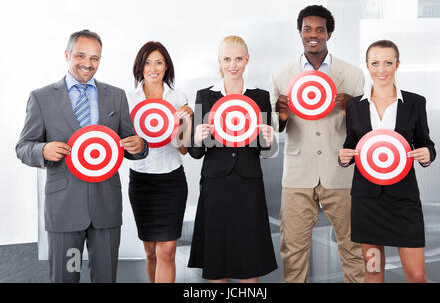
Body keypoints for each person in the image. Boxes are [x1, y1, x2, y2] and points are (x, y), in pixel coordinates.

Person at [16, 29, 148, 283]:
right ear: (67, 54)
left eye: (95, 58)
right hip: (65, 210)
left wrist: (140, 145)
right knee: (68, 276)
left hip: (105, 207)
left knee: (105, 278)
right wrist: (42, 150)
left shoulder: (116, 96)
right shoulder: (41, 98)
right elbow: (23, 146)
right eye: (81, 56)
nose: (88, 64)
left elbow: (132, 144)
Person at [270, 5, 365, 283]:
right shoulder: (280, 75)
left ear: (329, 34)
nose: (313, 35)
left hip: (341, 172)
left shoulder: (353, 74)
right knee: (293, 250)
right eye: (307, 29)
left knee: (353, 248)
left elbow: (364, 131)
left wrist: (352, 110)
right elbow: (273, 129)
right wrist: (282, 116)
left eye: (320, 29)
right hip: (298, 173)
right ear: (299, 33)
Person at [339, 40, 436, 283]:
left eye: (388, 63)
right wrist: (343, 157)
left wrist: (427, 154)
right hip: (367, 202)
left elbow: (426, 142)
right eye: (375, 63)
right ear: (367, 65)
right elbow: (351, 145)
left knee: (416, 275)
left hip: (404, 200)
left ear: (397, 64)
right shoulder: (354, 106)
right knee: (373, 272)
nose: (381, 69)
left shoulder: (415, 102)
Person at [188, 35, 278, 283]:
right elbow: (196, 153)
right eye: (227, 59)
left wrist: (268, 138)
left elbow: (266, 151)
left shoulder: (260, 97)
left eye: (238, 59)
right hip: (215, 184)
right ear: (219, 61)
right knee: (217, 259)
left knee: (250, 260)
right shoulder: (204, 96)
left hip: (248, 184)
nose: (233, 65)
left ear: (247, 60)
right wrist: (196, 136)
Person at [127, 41, 193, 283]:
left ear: (167, 67)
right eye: (147, 62)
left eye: (158, 62)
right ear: (140, 67)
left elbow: (184, 149)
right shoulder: (128, 99)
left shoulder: (178, 97)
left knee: (166, 251)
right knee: (150, 252)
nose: (152, 68)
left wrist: (187, 123)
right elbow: (124, 144)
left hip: (171, 180)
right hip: (141, 180)